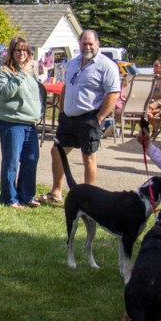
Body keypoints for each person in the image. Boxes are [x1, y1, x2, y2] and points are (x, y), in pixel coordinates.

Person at [39, 30, 120, 203]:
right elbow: (66, 88)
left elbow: (113, 93)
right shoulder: (73, 63)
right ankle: (56, 193)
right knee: (57, 152)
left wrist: (99, 118)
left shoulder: (106, 65)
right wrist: (61, 111)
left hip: (89, 118)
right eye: (84, 43)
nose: (87, 47)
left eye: (91, 43)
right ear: (79, 43)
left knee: (88, 157)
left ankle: (88, 199)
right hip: (68, 118)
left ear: (98, 44)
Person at [0, 36, 43, 208]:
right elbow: (4, 93)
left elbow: (34, 95)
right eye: (18, 50)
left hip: (30, 123)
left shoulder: (31, 72)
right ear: (11, 52)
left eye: (25, 50)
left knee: (31, 159)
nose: (22, 53)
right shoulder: (4, 71)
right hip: (11, 122)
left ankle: (26, 195)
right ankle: (9, 198)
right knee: (12, 161)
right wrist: (21, 73)